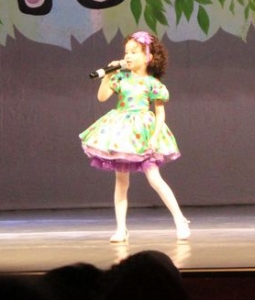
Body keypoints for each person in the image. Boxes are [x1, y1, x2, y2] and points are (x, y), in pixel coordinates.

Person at [79, 31, 190, 242]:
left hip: (142, 131)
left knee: (154, 178)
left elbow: (160, 114)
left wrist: (155, 137)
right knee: (121, 181)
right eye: (126, 52)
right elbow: (102, 97)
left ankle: (180, 220)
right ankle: (121, 229)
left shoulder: (152, 83)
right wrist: (108, 76)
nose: (128, 56)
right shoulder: (120, 77)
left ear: (148, 57)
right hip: (122, 132)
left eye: (134, 52)